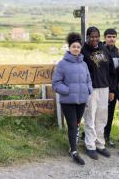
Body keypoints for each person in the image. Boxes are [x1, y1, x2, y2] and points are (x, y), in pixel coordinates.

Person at [52, 32, 92, 165]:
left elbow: (88, 80)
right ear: (69, 48)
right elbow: (56, 83)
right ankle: (74, 151)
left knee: (77, 124)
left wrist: (88, 90)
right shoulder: (62, 64)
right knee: (72, 126)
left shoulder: (84, 64)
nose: (76, 49)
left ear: (80, 48)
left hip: (81, 100)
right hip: (68, 101)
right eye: (74, 46)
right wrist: (68, 91)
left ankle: (72, 146)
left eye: (78, 47)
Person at [81, 26, 115, 160]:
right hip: (91, 89)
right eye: (92, 37)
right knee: (90, 117)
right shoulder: (83, 52)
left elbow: (111, 71)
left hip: (105, 88)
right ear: (87, 37)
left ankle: (100, 144)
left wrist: (112, 89)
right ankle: (90, 145)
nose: (94, 39)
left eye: (96, 36)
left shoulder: (104, 49)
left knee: (102, 118)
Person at [103, 28, 119, 147]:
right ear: (105, 38)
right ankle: (93, 137)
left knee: (109, 115)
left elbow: (116, 73)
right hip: (101, 87)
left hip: (113, 89)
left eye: (114, 36)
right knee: (98, 114)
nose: (111, 39)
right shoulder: (100, 51)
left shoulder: (118, 52)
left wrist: (113, 90)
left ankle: (106, 137)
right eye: (109, 36)